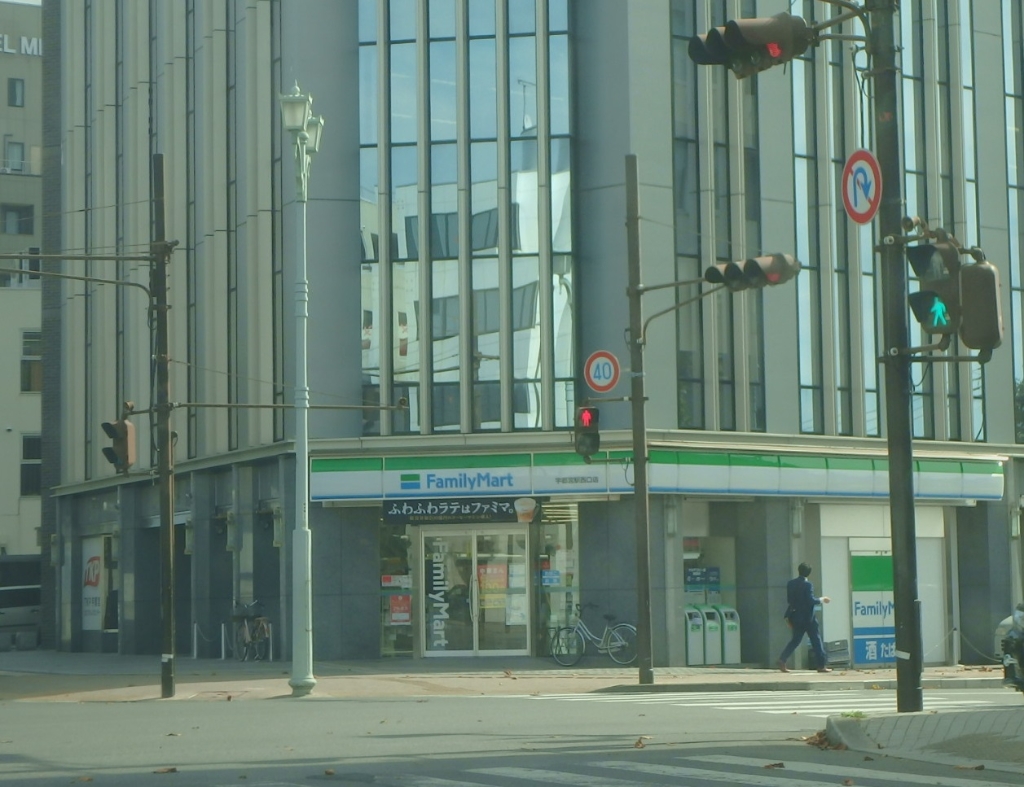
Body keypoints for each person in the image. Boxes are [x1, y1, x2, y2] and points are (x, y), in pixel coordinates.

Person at [778, 562, 832, 673]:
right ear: (809, 573)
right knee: (816, 640)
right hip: (808, 618)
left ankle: (782, 659)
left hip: (796, 617)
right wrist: (822, 599)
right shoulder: (808, 585)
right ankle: (821, 665)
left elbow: (790, 600)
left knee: (795, 640)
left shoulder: (791, 583)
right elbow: (811, 600)